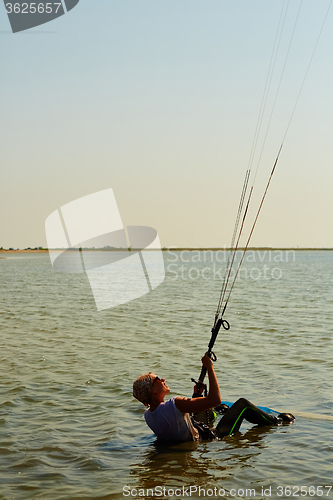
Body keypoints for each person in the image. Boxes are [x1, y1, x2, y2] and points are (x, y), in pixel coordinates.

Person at [133, 353, 295, 441]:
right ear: (152, 390)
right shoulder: (175, 403)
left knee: (213, 409)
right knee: (243, 404)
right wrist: (210, 367)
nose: (163, 379)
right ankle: (277, 421)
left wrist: (196, 396)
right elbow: (215, 400)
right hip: (214, 437)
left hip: (198, 434)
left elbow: (180, 424)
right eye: (157, 379)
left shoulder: (149, 416)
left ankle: (209, 405)